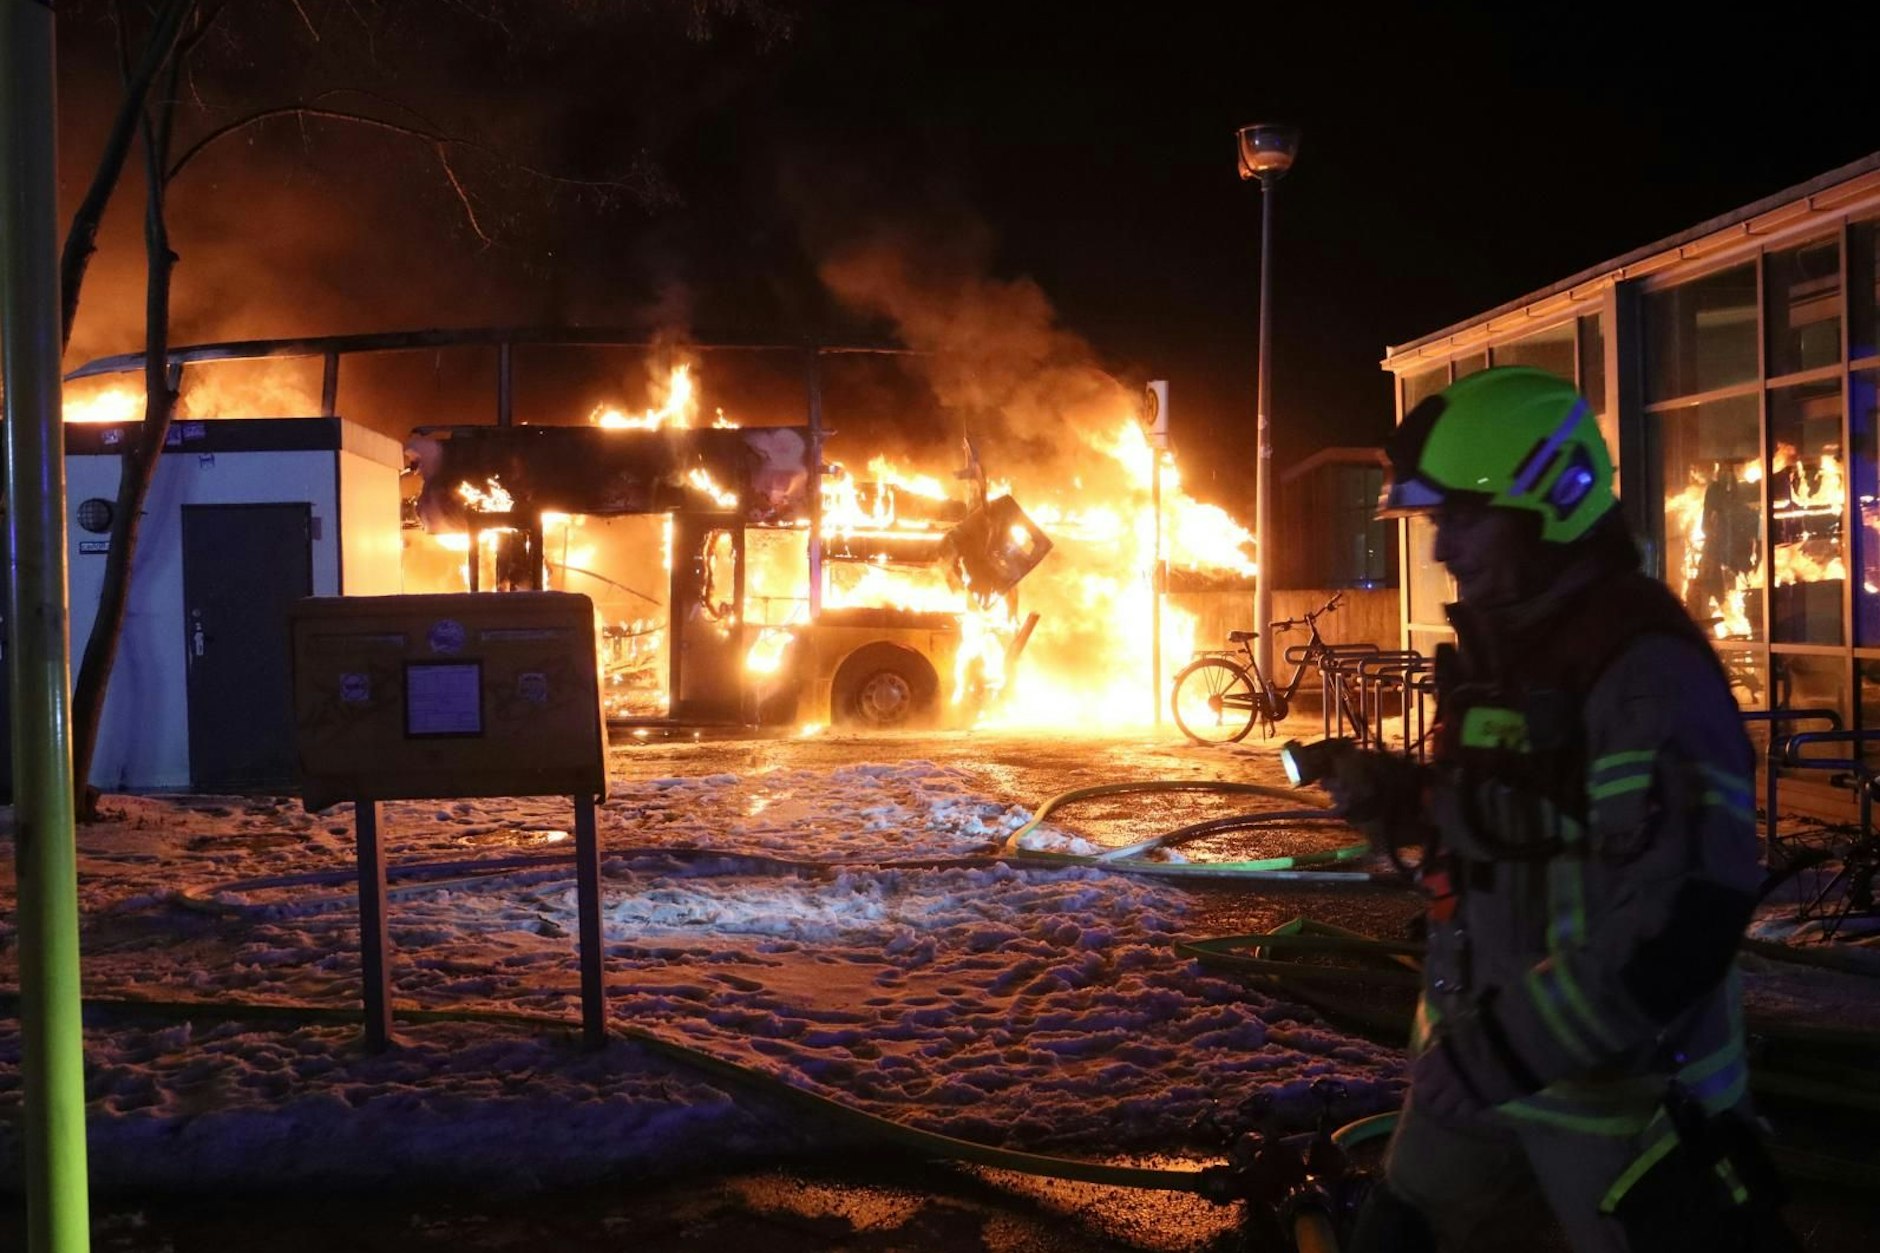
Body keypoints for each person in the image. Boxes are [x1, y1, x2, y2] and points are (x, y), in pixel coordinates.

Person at [1327, 367, 1795, 1252]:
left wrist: (1511, 1047)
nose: (1443, 549)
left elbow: (1685, 910)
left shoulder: (1643, 670)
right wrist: (1402, 801)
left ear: (1553, 500)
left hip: (1621, 1106)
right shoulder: (1514, 647)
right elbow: (1517, 831)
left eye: (1463, 519)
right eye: (1437, 522)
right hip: (1477, 1071)